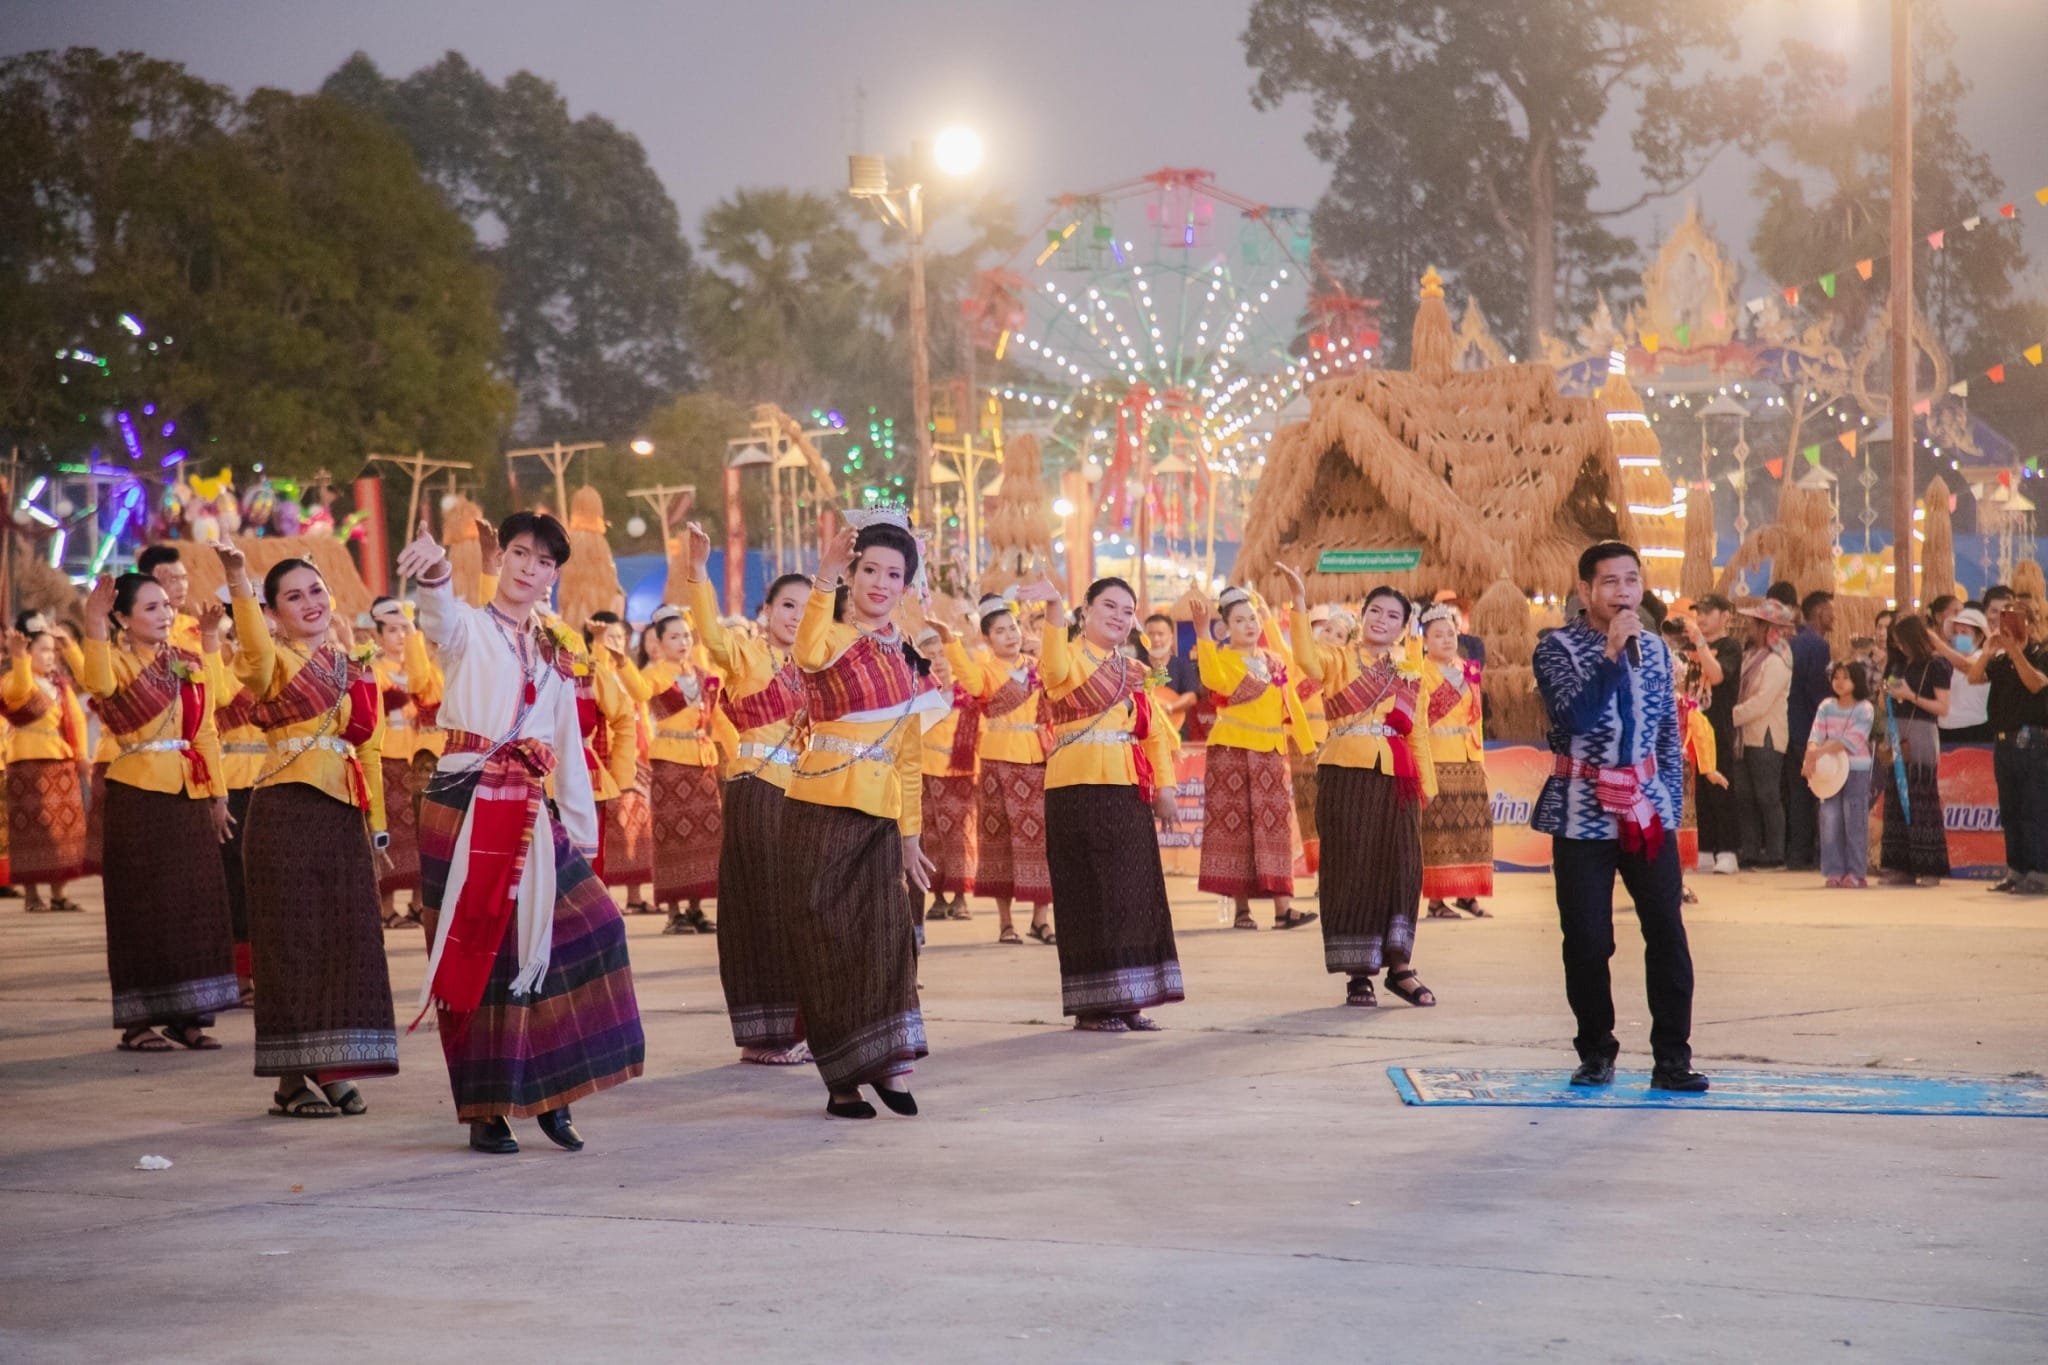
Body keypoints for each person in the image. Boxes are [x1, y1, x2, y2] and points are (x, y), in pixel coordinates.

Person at [395, 513, 646, 1154]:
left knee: (588, 928)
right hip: (466, 795)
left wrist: (585, 843)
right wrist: (433, 574)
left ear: (554, 575)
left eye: (542, 561)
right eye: (519, 554)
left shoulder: (560, 653)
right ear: (500, 559)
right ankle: (488, 1108)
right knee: (482, 956)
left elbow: (568, 747)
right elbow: (439, 621)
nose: (529, 568)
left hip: (530, 805)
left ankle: (554, 1092)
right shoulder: (469, 629)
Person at [219, 545, 398, 1120]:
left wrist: (378, 830)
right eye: (293, 597)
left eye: (315, 591)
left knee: (345, 942)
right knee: (292, 944)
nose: (310, 603)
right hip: (285, 813)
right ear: (272, 613)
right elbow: (249, 655)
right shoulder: (268, 659)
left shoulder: (356, 667)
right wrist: (237, 580)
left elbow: (368, 750)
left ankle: (335, 1067)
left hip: (343, 816)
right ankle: (290, 1078)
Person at [783, 512, 944, 1119]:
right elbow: (806, 646)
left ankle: (889, 1066)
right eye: (869, 570)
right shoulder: (831, 638)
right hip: (820, 811)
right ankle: (841, 1079)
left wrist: (909, 838)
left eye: (894, 574)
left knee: (886, 946)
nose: (880, 583)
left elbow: (909, 758)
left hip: (879, 822)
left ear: (906, 587)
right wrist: (822, 579)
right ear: (852, 575)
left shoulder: (905, 662)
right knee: (828, 945)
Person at [1531, 542, 1705, 1092]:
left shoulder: (1655, 650)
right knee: (1586, 939)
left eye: (1632, 580)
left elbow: (1666, 738)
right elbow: (1574, 718)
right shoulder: (1555, 648)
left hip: (1647, 811)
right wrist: (1608, 653)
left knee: (1667, 933)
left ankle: (1672, 1060)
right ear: (1585, 591)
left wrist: (1670, 809)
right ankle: (1596, 1051)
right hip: (1581, 815)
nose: (1624, 591)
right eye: (1610, 582)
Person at [80, 573, 239, 1053]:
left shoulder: (187, 662)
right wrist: (92, 622)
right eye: (150, 608)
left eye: (166, 605)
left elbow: (207, 729)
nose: (165, 614)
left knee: (194, 906)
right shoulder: (120, 663)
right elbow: (98, 682)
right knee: (143, 908)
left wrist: (218, 795)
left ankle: (189, 1016)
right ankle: (139, 1021)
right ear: (123, 619)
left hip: (191, 795)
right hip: (139, 795)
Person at [682, 524, 814, 1062]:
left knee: (796, 910)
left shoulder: (817, 669)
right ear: (767, 610)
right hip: (757, 790)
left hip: (804, 796)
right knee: (763, 909)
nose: (797, 617)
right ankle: (769, 1035)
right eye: (787, 605)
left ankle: (792, 1028)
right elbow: (710, 635)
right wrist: (697, 573)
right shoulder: (745, 654)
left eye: (808, 609)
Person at [1278, 567, 1437, 1008]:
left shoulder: (1409, 672)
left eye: (1392, 615)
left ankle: (1401, 966)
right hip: (1345, 773)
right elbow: (1306, 661)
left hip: (1398, 778)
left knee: (1403, 868)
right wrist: (1300, 604)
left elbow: (1418, 730)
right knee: (1353, 870)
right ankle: (1359, 972)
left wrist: (1428, 786)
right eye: (1374, 611)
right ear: (1362, 615)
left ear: (1404, 628)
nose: (1381, 620)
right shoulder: (1338, 657)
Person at [1032, 575, 1184, 1031]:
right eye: (1109, 607)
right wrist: (1053, 612)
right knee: (1087, 895)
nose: (1119, 617)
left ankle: (1129, 998)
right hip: (1076, 790)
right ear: (1086, 612)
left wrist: (1166, 789)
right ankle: (1093, 1006)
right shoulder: (1067, 657)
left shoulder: (1135, 672)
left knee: (1132, 895)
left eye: (1127, 610)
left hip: (1128, 789)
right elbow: (1054, 670)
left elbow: (1153, 733)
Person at [1190, 586, 1317, 931]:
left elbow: (1291, 701)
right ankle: (1242, 910)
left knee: (1275, 828)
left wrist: (1307, 746)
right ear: (1225, 627)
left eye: (1254, 618)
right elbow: (1210, 678)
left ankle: (1283, 910)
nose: (1249, 625)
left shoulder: (1275, 661)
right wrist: (1202, 632)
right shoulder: (1222, 658)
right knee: (1235, 830)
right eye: (1240, 620)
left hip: (1272, 755)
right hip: (1231, 751)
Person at [948, 594, 1054, 945]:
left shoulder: (1038, 667)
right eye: (1001, 631)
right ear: (987, 638)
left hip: (1038, 762)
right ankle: (1005, 923)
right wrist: (951, 642)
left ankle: (1041, 920)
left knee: (1042, 843)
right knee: (998, 843)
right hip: (996, 763)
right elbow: (970, 682)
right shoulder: (985, 670)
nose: (1010, 635)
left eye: (1013, 628)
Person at [636, 603, 724, 935]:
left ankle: (696, 909)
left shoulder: (702, 676)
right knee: (672, 837)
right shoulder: (653, 674)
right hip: (669, 763)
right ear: (658, 642)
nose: (682, 642)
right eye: (674, 637)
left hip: (702, 762)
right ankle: (673, 913)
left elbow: (718, 719)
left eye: (686, 635)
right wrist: (619, 663)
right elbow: (638, 692)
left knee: (705, 837)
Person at [3, 615, 90, 912]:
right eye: (43, 650)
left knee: (63, 834)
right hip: (27, 763)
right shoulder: (13, 678)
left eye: (53, 650)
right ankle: (31, 895)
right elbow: (20, 693)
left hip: (60, 761)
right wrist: (20, 660)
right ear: (28, 652)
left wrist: (81, 756)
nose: (50, 656)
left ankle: (59, 894)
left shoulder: (60, 685)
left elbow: (76, 721)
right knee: (32, 833)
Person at [368, 596, 444, 928]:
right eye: (393, 630)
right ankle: (386, 907)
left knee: (420, 830)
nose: (400, 636)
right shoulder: (374, 667)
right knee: (391, 833)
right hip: (386, 756)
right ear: (379, 635)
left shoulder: (417, 666)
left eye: (404, 630)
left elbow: (422, 685)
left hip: (415, 758)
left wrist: (415, 635)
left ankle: (417, 902)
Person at [1967, 598, 2048, 895]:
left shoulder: (2041, 653)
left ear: (2030, 622)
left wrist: (2015, 650)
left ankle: (2041, 871)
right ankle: (2016, 870)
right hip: (2003, 740)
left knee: (2035, 807)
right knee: (2010, 808)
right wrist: (1988, 652)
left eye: (2018, 618)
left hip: (2033, 741)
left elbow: (2036, 684)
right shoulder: (2000, 661)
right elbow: (1974, 677)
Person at [1417, 602, 1493, 918]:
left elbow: (1476, 718)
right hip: (1437, 760)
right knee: (1440, 832)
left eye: (1450, 633)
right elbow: (1419, 722)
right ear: (1424, 641)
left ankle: (1467, 894)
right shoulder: (1420, 672)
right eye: (1438, 635)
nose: (1446, 640)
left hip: (1469, 758)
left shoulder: (1468, 670)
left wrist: (1479, 758)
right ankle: (1436, 901)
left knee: (1474, 831)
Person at [587, 610, 658, 916]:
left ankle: (634, 894)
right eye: (610, 637)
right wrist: (600, 645)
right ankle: (603, 893)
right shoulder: (595, 666)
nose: (616, 643)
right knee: (609, 830)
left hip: (636, 754)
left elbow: (642, 692)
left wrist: (622, 661)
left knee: (635, 829)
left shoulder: (627, 668)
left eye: (621, 637)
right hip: (605, 756)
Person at [211, 605, 264, 1003]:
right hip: (234, 783)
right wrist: (218, 645)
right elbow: (220, 694)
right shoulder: (225, 662)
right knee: (237, 882)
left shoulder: (280, 657)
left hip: (276, 780)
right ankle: (242, 978)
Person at [1879, 614, 1952, 887]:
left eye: (1902, 640)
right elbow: (1886, 695)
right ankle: (1900, 866)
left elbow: (1943, 708)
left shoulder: (1936, 665)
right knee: (1896, 797)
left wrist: (1911, 696)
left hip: (1921, 731)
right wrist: (1887, 691)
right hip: (1896, 729)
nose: (1899, 646)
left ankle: (1929, 867)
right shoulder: (1897, 663)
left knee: (1922, 798)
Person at [1730, 599, 1795, 870]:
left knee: (1767, 795)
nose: (1749, 627)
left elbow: (1762, 702)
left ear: (1766, 627)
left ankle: (1776, 853)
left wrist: (1729, 716)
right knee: (1744, 795)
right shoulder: (1750, 656)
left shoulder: (1778, 661)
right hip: (1744, 736)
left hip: (1765, 736)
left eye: (1754, 623)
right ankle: (1751, 850)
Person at [919, 643, 980, 926]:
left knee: (960, 837)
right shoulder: (919, 695)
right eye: (931, 657)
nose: (939, 662)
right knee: (930, 836)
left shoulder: (968, 697)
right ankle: (939, 898)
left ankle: (960, 897)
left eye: (943, 656)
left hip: (961, 775)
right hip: (925, 774)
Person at [1805, 662, 1875, 888]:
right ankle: (1834, 871)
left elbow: (1853, 740)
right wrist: (1811, 754)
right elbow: (1816, 732)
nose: (1840, 682)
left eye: (1846, 677)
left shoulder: (1865, 708)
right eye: (1836, 677)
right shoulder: (1826, 705)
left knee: (1854, 819)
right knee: (1830, 819)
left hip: (1856, 769)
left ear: (1857, 680)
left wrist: (1818, 752)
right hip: (1829, 772)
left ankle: (1856, 872)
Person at [1688, 594, 1741, 874]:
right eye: (1699, 612)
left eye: (1708, 612)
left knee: (1721, 789)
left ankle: (1728, 851)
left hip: (1717, 727)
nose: (1701, 617)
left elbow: (1718, 675)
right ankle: (1705, 849)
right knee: (1701, 794)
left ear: (1725, 616)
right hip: (1693, 730)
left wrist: (1700, 643)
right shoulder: (1691, 645)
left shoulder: (1730, 646)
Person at [1782, 591, 1835, 871]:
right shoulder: (1817, 646)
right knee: (1816, 792)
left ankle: (1796, 853)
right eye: (1830, 611)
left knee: (1797, 793)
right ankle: (1815, 853)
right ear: (1819, 612)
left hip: (1791, 726)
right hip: (1810, 729)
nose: (1834, 616)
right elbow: (1818, 690)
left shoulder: (1795, 642)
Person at [1937, 607, 1992, 743]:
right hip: (1945, 729)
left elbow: (1966, 666)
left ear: (1979, 637)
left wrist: (1938, 645)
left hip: (1974, 729)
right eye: (1955, 633)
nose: (1958, 637)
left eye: (1964, 633)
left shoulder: (1984, 658)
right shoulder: (1946, 661)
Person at [1142, 612, 1200, 738]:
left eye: (1160, 634)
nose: (1155, 639)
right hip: (1144, 735)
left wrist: (1169, 708)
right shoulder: (1136, 666)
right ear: (1144, 638)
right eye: (1150, 634)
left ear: (1171, 638)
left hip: (1176, 732)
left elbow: (1192, 696)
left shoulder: (1183, 665)